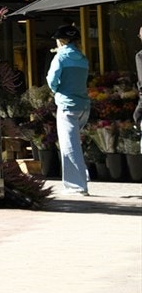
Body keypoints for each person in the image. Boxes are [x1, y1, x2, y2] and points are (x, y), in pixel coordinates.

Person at [47, 23, 91, 196]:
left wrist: (57, 90)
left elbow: (52, 81)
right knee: (76, 144)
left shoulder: (61, 57)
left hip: (67, 106)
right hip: (83, 107)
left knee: (69, 145)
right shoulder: (83, 58)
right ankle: (83, 177)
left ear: (61, 41)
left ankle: (77, 186)